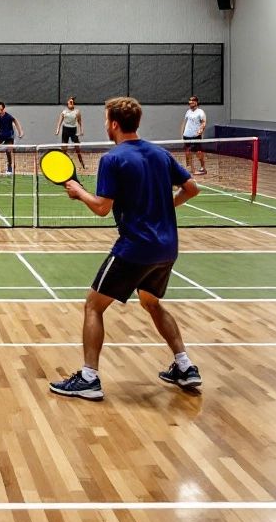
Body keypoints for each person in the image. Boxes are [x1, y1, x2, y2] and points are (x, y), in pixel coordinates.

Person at [49, 96, 203, 402]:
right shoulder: (160, 154)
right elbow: (192, 188)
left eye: (106, 120)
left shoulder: (113, 158)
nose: (106, 125)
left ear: (114, 124)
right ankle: (185, 366)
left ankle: (89, 378)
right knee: (152, 303)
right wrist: (163, 207)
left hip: (135, 248)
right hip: (167, 247)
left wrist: (79, 192)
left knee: (93, 305)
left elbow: (102, 208)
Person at [181, 95, 207, 175]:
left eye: (192, 103)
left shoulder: (200, 112)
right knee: (188, 152)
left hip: (195, 136)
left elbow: (203, 122)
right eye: (189, 103)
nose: (190, 105)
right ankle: (191, 169)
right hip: (187, 135)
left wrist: (201, 129)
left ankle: (203, 167)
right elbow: (185, 122)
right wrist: (182, 133)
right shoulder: (188, 112)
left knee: (199, 152)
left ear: (196, 103)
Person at [56, 97, 85, 169]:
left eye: (73, 103)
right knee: (64, 149)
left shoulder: (77, 112)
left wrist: (81, 131)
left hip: (73, 130)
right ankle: (63, 164)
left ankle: (82, 164)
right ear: (67, 103)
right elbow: (59, 122)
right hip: (65, 130)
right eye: (70, 102)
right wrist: (58, 130)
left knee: (77, 148)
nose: (71, 104)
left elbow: (80, 122)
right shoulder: (64, 112)